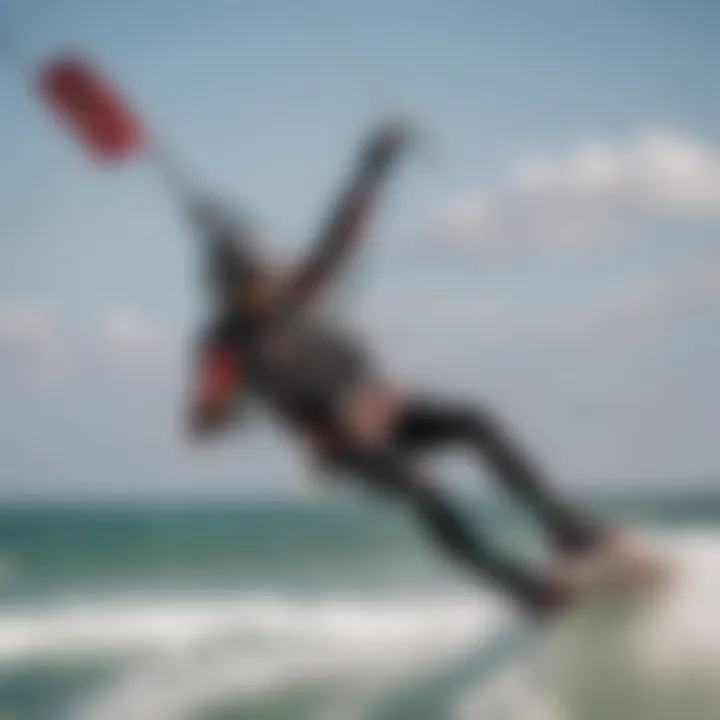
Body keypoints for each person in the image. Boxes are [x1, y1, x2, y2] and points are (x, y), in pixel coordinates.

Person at [184, 119, 613, 618]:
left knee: (477, 422)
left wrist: (373, 165)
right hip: (345, 442)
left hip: (384, 407)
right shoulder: (223, 345)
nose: (266, 285)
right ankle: (524, 590)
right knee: (425, 491)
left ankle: (563, 528)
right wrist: (218, 410)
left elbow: (340, 233)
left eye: (263, 275)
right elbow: (203, 422)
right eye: (252, 283)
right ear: (228, 292)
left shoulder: (296, 289)